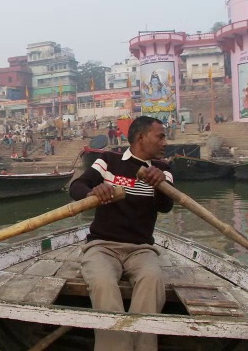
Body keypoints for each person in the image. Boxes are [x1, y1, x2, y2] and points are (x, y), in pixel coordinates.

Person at [69, 116, 173, 351]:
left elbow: (165, 207)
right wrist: (93, 192)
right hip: (102, 246)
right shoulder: (107, 160)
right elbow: (76, 186)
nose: (165, 142)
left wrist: (160, 185)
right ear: (140, 137)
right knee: (103, 283)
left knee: (152, 280)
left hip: (141, 248)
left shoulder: (162, 170)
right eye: (160, 136)